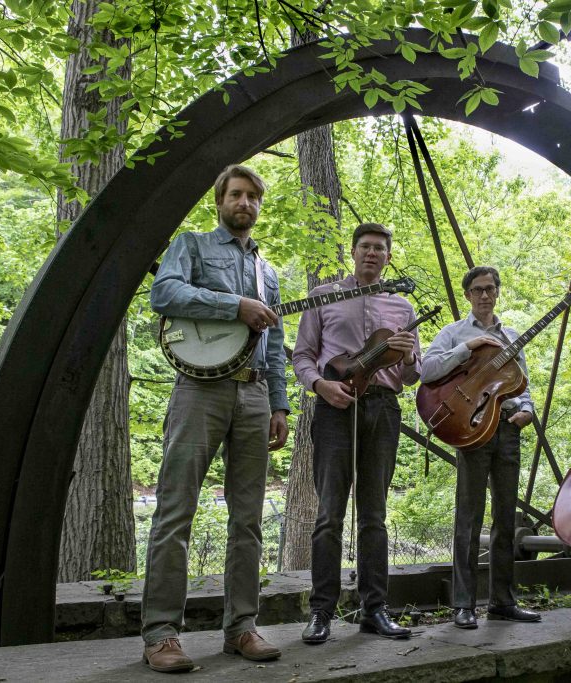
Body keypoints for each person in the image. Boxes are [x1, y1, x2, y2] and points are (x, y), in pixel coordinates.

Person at [141, 165, 290, 672]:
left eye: (253, 196)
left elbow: (275, 345)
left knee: (247, 521)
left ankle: (242, 628)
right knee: (174, 513)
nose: (244, 202)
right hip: (198, 393)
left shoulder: (267, 272)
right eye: (236, 194)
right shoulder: (193, 245)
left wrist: (279, 403)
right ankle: (161, 635)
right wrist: (234, 305)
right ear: (220, 201)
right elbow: (164, 294)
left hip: (253, 398)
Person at [293, 222, 421, 643]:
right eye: (365, 246)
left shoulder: (402, 308)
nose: (371, 253)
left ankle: (375, 609)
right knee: (330, 513)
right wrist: (321, 386)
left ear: (388, 256)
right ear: (353, 252)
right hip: (334, 408)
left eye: (379, 249)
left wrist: (407, 358)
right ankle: (322, 611)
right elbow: (303, 356)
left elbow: (411, 374)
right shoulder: (323, 296)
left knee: (374, 515)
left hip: (383, 409)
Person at [420, 266, 541, 629]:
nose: (484, 295)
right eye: (477, 290)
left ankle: (503, 601)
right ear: (468, 295)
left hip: (506, 429)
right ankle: (463, 604)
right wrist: (466, 347)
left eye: (489, 289)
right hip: (472, 428)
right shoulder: (454, 332)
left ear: (498, 292)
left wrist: (528, 411)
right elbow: (427, 371)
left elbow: (522, 386)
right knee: (468, 518)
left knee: (506, 519)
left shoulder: (512, 336)